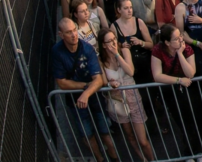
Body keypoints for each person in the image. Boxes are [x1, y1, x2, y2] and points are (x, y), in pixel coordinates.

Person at [53, 18, 119, 162]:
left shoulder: (87, 48)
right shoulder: (57, 52)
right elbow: (62, 83)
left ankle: (115, 159)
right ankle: (100, 159)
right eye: (68, 32)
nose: (73, 35)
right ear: (61, 34)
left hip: (94, 98)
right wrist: (85, 87)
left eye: (74, 30)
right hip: (75, 101)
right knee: (87, 134)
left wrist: (86, 94)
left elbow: (99, 79)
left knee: (105, 131)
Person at [150, 24, 202, 161]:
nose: (181, 40)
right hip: (171, 90)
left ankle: (198, 151)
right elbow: (157, 76)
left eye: (181, 36)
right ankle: (189, 153)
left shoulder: (187, 48)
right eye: (176, 39)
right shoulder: (158, 50)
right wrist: (179, 80)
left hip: (190, 88)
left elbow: (190, 72)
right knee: (184, 122)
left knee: (197, 117)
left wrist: (180, 53)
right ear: (167, 42)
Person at [97, 28, 155, 161]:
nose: (113, 43)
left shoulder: (124, 51)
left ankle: (152, 160)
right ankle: (143, 159)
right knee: (130, 136)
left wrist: (116, 54)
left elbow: (130, 71)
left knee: (142, 140)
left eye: (114, 39)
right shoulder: (101, 60)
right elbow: (104, 82)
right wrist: (110, 84)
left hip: (132, 96)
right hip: (118, 100)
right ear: (103, 44)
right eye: (109, 41)